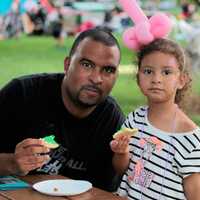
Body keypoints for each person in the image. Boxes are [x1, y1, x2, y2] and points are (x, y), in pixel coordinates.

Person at [0, 27, 125, 192]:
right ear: (67, 65)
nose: (96, 78)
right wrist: (12, 163)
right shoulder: (21, 94)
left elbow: (106, 191)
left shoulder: (112, 122)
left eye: (108, 70)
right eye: (87, 65)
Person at [110, 38, 200, 199]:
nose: (156, 79)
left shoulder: (190, 140)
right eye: (148, 71)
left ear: (181, 80)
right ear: (138, 78)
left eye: (166, 72)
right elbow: (121, 169)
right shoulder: (135, 119)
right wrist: (121, 153)